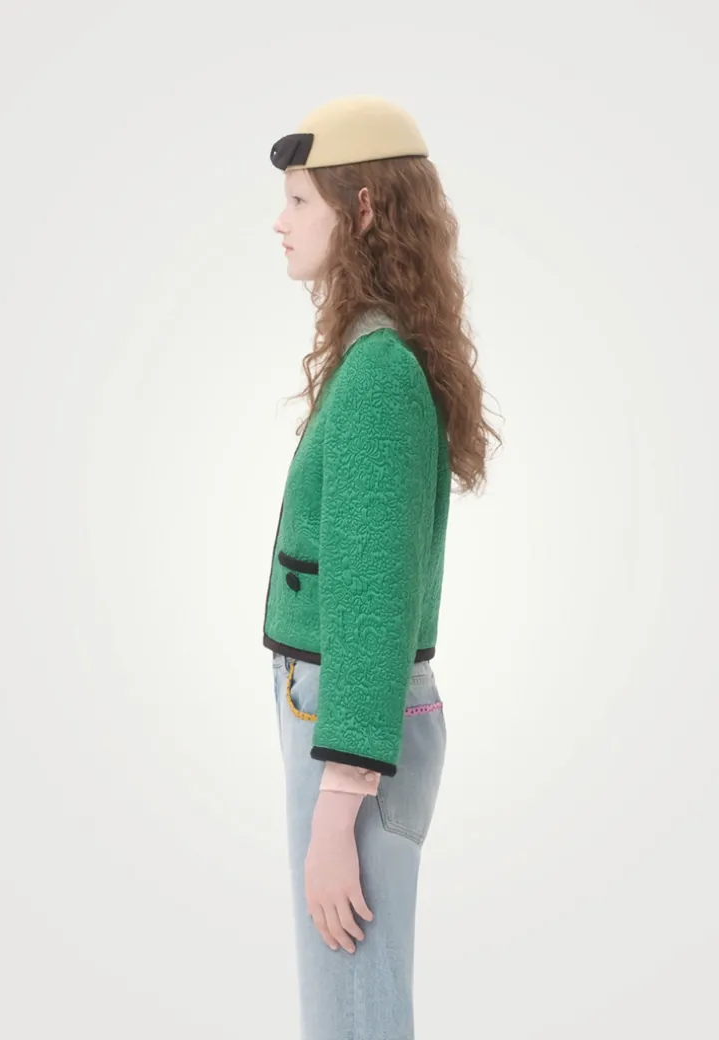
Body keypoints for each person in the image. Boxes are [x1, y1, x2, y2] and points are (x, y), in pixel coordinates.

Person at [263, 95, 501, 1040]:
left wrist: (339, 806)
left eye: (300, 201)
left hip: (349, 731)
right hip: (342, 721)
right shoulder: (376, 359)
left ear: (362, 209)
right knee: (350, 1000)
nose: (279, 222)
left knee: (352, 1010)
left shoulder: (377, 378)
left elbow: (370, 602)